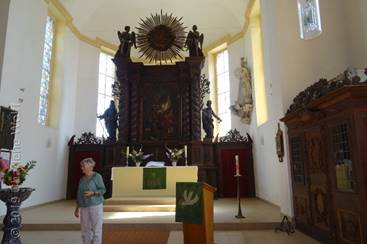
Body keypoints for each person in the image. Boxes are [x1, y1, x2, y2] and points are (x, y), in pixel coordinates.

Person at [74, 158, 106, 244]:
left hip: (95, 205)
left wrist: (93, 193)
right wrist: (77, 208)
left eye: (83, 166)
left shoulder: (97, 176)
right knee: (85, 230)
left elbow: (103, 190)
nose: (81, 168)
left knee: (97, 230)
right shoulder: (82, 178)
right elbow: (79, 193)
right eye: (81, 166)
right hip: (84, 206)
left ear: (90, 167)